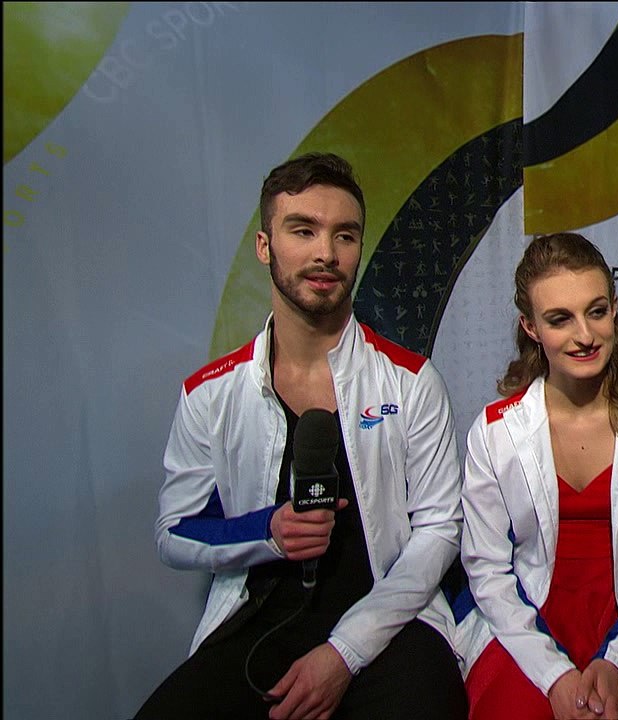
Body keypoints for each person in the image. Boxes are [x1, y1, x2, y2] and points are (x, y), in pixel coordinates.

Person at [137, 152, 468, 720]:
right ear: (265, 246)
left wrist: (344, 652)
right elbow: (175, 532)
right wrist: (267, 531)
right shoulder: (209, 395)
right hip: (258, 623)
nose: (325, 253)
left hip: (390, 624)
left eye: (345, 235)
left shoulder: (412, 382)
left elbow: (439, 530)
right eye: (303, 230)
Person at [453, 232, 618, 720]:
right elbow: (486, 569)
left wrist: (615, 658)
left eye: (597, 311)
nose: (584, 335)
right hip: (524, 625)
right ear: (530, 327)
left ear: (615, 308)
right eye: (559, 319)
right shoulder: (495, 432)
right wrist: (555, 676)